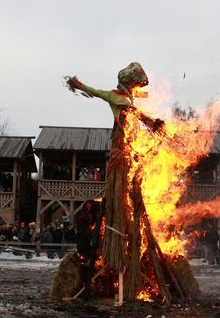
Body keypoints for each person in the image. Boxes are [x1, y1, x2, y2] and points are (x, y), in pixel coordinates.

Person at [65, 62, 164, 272]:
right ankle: (113, 252)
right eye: (136, 84)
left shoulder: (129, 99)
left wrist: (153, 124)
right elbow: (97, 92)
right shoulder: (115, 97)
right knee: (117, 197)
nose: (138, 88)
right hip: (119, 153)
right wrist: (79, 85)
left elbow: (138, 114)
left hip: (128, 151)